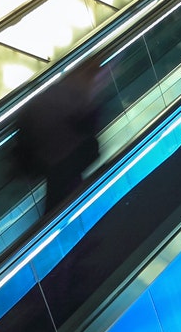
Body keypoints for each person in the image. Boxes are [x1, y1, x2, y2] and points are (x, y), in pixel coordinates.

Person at [12, 56, 113, 216]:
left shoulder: (53, 96)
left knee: (62, 199)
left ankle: (58, 223)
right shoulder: (73, 98)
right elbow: (88, 134)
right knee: (64, 197)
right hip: (63, 159)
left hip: (54, 161)